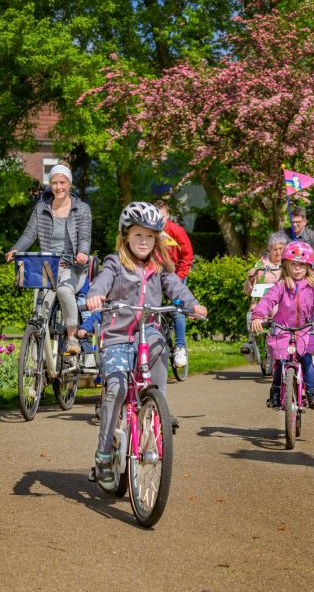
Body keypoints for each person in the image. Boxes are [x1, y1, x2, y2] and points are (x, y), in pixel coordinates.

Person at [85, 202, 207, 490]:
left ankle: (155, 410)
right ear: (126, 235)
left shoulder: (160, 267)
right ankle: (103, 454)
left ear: (156, 240)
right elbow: (101, 282)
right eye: (138, 235)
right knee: (115, 388)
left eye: (150, 236)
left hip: (148, 332)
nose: (144, 241)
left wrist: (192, 304)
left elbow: (176, 287)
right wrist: (95, 296)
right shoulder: (115, 263)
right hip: (117, 336)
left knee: (160, 348)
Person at [6, 163, 91, 354]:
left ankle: (71, 338)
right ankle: (37, 361)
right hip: (46, 266)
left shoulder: (82, 209)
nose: (58, 187)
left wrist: (83, 252)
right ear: (50, 185)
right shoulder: (41, 208)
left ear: (69, 184)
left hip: (72, 266)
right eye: (54, 183)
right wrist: (15, 249)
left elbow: (85, 236)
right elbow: (29, 234)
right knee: (39, 310)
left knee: (63, 290)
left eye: (62, 182)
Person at [251, 241, 314, 409]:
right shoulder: (281, 285)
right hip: (283, 330)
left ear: (308, 267)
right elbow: (268, 301)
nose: (297, 269)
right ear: (286, 265)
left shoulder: (313, 285)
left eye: (302, 265)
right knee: (281, 361)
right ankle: (275, 391)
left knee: (306, 360)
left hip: (305, 331)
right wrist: (258, 315)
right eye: (293, 264)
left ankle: (312, 394)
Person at [154, 199, 194, 368]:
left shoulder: (176, 231)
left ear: (168, 215)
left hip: (175, 275)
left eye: (162, 216)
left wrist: (179, 276)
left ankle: (180, 347)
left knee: (178, 310)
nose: (159, 220)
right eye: (156, 216)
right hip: (155, 276)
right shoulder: (148, 231)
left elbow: (187, 255)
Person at [240, 232, 287, 357]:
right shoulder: (260, 265)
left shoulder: (288, 264)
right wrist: (250, 279)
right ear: (269, 250)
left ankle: (280, 343)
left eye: (281, 249)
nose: (278, 252)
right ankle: (252, 343)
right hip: (262, 301)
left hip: (282, 302)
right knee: (252, 313)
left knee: (278, 310)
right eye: (274, 249)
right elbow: (248, 291)